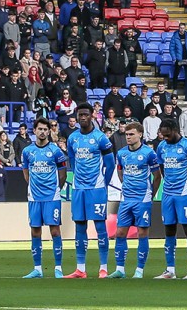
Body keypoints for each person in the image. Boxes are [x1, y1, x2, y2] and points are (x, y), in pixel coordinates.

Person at [64, 103, 115, 279]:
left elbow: (110, 164)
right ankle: (80, 269)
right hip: (79, 188)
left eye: (86, 114)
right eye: (80, 115)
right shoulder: (73, 138)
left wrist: (103, 184)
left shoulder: (100, 138)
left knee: (100, 227)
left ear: (92, 115)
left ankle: (103, 268)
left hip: (96, 188)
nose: (83, 117)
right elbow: (72, 160)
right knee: (80, 226)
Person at [108, 122, 161, 279]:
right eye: (127, 134)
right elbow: (120, 171)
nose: (128, 137)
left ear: (140, 135)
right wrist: (126, 185)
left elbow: (157, 176)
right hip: (126, 198)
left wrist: (151, 195)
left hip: (142, 198)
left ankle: (139, 270)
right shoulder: (122, 153)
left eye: (131, 134)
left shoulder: (149, 153)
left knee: (142, 232)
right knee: (120, 233)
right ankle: (120, 269)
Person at [154, 118, 187, 280]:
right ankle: (170, 270)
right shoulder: (161, 146)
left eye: (168, 135)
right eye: (163, 135)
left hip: (184, 195)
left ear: (176, 130)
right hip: (167, 194)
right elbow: (162, 169)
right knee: (169, 230)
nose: (166, 138)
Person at [21, 117, 68, 279]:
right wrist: (33, 186)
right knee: (35, 231)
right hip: (34, 197)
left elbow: (63, 174)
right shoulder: (27, 151)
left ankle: (58, 268)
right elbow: (26, 172)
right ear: (34, 131)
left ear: (49, 131)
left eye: (45, 129)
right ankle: (37, 269)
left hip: (51, 196)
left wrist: (55, 190)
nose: (42, 132)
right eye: (39, 129)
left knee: (55, 231)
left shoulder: (56, 151)